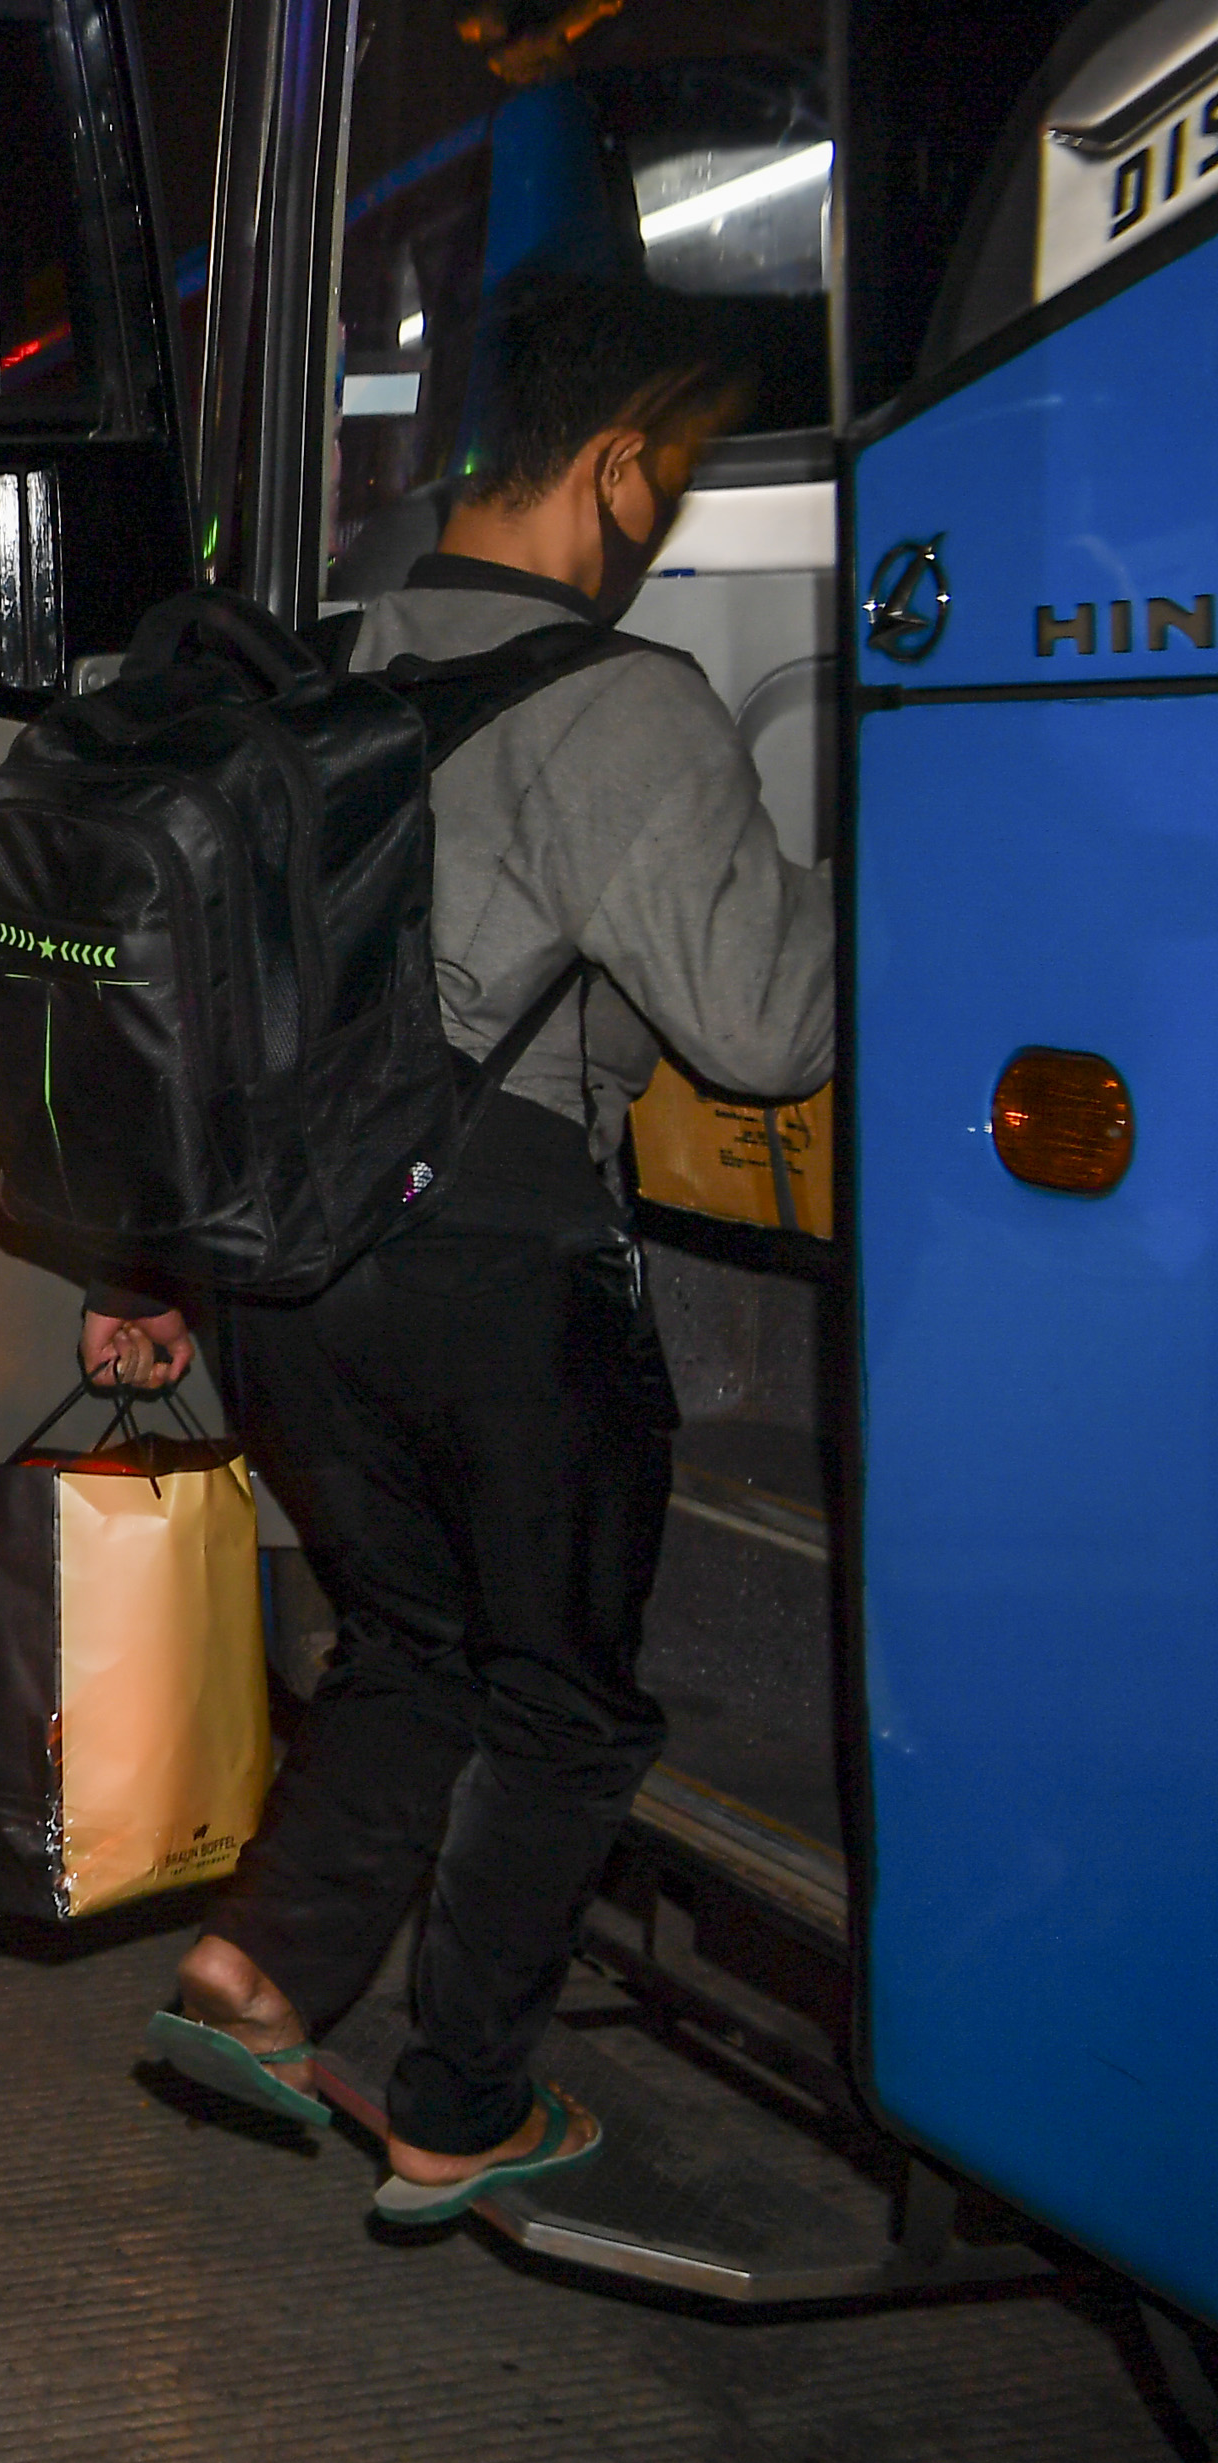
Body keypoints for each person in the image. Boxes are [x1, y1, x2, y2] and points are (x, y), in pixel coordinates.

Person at [110, 273, 834, 2224]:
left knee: (413, 1638)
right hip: (496, 1264)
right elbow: (762, 1025)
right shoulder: (620, 706)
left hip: (281, 1270)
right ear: (612, 469)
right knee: (565, 1698)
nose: (663, 516)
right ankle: (458, 2101)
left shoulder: (311, 665)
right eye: (669, 478)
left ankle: (250, 1969)